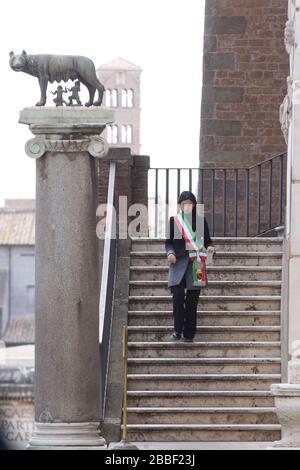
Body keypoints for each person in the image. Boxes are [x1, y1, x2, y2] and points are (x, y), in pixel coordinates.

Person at [165, 191, 215, 342]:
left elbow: (208, 241)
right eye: (184, 204)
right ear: (180, 205)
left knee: (192, 301)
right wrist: (170, 253)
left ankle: (189, 332)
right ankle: (177, 329)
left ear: (194, 205)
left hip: (196, 264)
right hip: (178, 264)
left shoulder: (201, 221)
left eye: (190, 204)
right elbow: (168, 242)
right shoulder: (174, 221)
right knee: (178, 297)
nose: (187, 206)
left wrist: (211, 248)